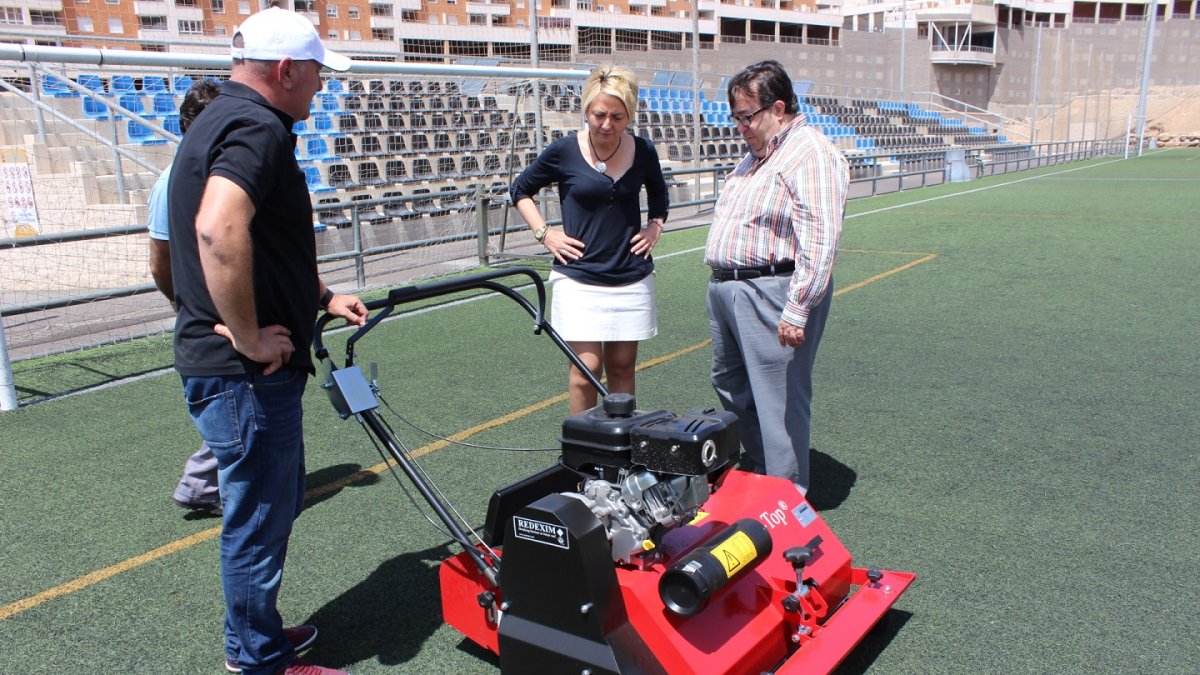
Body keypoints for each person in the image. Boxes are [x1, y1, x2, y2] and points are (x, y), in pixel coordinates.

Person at [166, 8, 366, 675]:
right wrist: (250, 337)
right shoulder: (257, 127)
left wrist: (322, 296)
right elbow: (220, 230)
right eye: (315, 73)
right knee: (257, 519)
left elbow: (266, 243)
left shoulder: (221, 118)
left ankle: (260, 632)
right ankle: (256, 658)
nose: (320, 86)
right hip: (244, 372)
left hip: (227, 366)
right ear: (284, 70)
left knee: (264, 511)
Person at [704, 60, 849, 494]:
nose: (740, 127)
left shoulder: (810, 152)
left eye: (746, 116)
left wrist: (798, 307)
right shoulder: (756, 156)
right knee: (731, 384)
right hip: (730, 288)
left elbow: (820, 236)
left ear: (778, 107)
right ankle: (768, 473)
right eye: (736, 117)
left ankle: (787, 497)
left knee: (779, 399)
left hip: (773, 288)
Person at [510, 66, 669, 414]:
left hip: (631, 276)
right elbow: (520, 189)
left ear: (629, 115)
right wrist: (545, 233)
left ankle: (620, 455)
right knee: (585, 371)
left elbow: (659, 193)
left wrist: (655, 226)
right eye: (599, 114)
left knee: (623, 368)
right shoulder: (563, 151)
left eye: (617, 116)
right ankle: (583, 458)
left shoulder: (643, 150)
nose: (607, 124)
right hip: (578, 277)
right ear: (586, 111)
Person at [147, 79, 223, 517]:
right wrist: (186, 303)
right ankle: (201, 485)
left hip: (232, 313)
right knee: (229, 405)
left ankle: (204, 484)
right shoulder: (172, 182)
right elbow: (160, 261)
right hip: (207, 317)